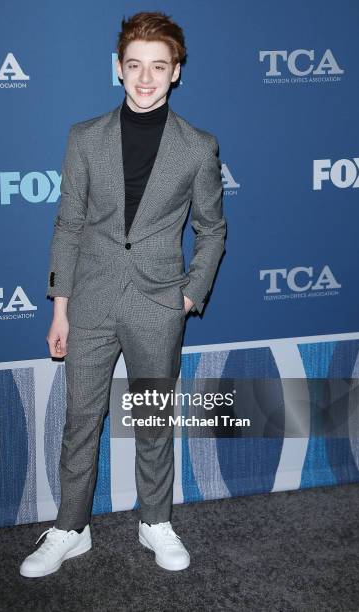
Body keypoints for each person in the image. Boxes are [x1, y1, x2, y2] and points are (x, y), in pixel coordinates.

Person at [20, 10, 226, 577]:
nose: (145, 78)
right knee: (80, 418)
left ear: (176, 72)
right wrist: (60, 308)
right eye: (134, 65)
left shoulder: (197, 146)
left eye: (158, 67)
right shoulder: (84, 137)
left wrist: (188, 295)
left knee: (153, 418)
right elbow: (69, 224)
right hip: (90, 300)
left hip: (159, 302)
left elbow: (212, 229)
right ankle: (70, 527)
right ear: (118, 68)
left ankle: (154, 520)